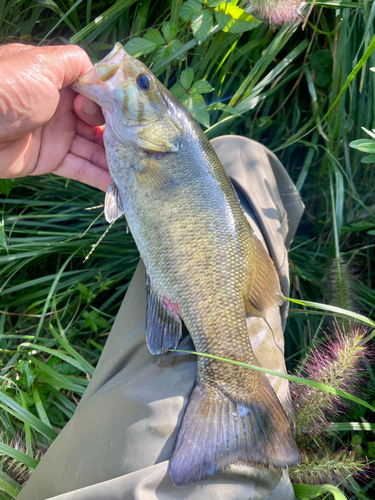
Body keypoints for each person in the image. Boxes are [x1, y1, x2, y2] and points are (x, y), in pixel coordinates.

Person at [1, 44, 304, 500]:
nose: (134, 78)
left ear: (167, 130)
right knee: (242, 155)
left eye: (144, 85)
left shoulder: (149, 151)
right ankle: (239, 399)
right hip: (205, 278)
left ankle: (231, 391)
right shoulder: (149, 148)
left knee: (235, 158)